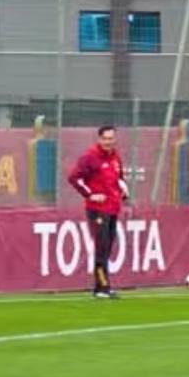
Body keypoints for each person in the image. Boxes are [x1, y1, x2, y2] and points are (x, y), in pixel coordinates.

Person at [67, 125, 130, 299]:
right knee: (101, 246)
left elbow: (119, 179)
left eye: (112, 138)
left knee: (108, 246)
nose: (109, 142)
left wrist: (123, 192)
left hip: (112, 207)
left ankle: (103, 286)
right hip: (97, 209)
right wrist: (90, 195)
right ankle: (101, 287)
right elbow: (74, 177)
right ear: (99, 139)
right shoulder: (90, 157)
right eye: (106, 138)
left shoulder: (115, 157)